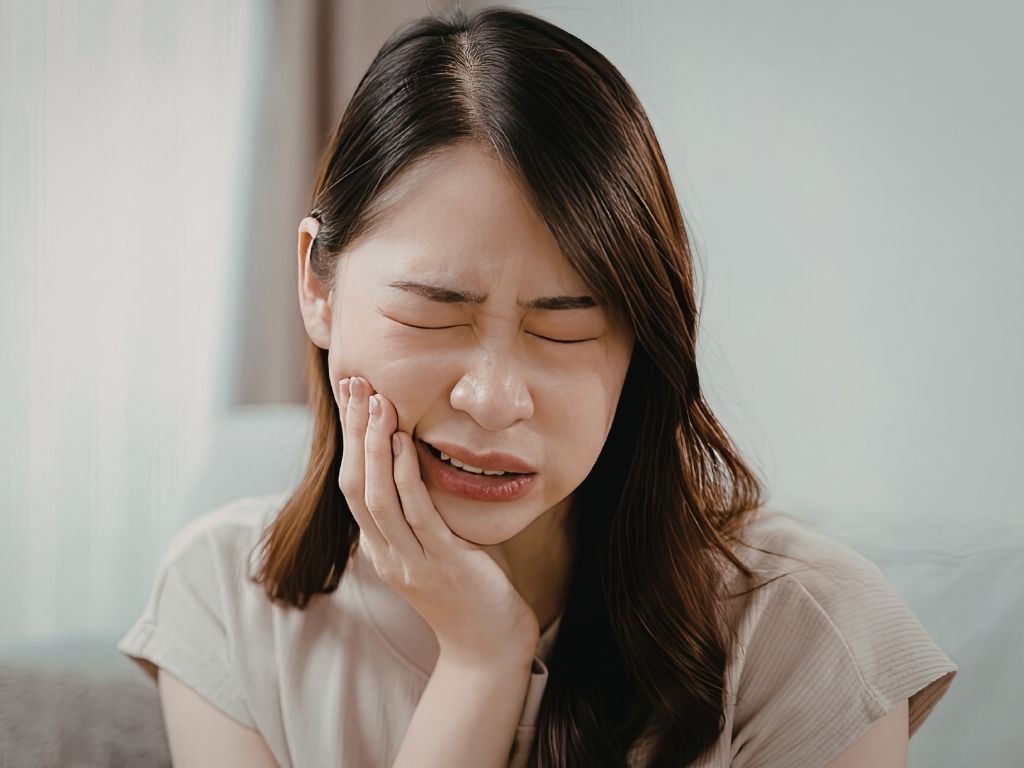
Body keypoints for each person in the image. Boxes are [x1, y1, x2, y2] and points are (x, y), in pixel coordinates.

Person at [117, 5, 957, 767]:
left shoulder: (810, 636)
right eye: (436, 315)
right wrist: (481, 663)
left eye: (563, 329)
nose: (493, 398)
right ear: (319, 286)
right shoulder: (225, 596)